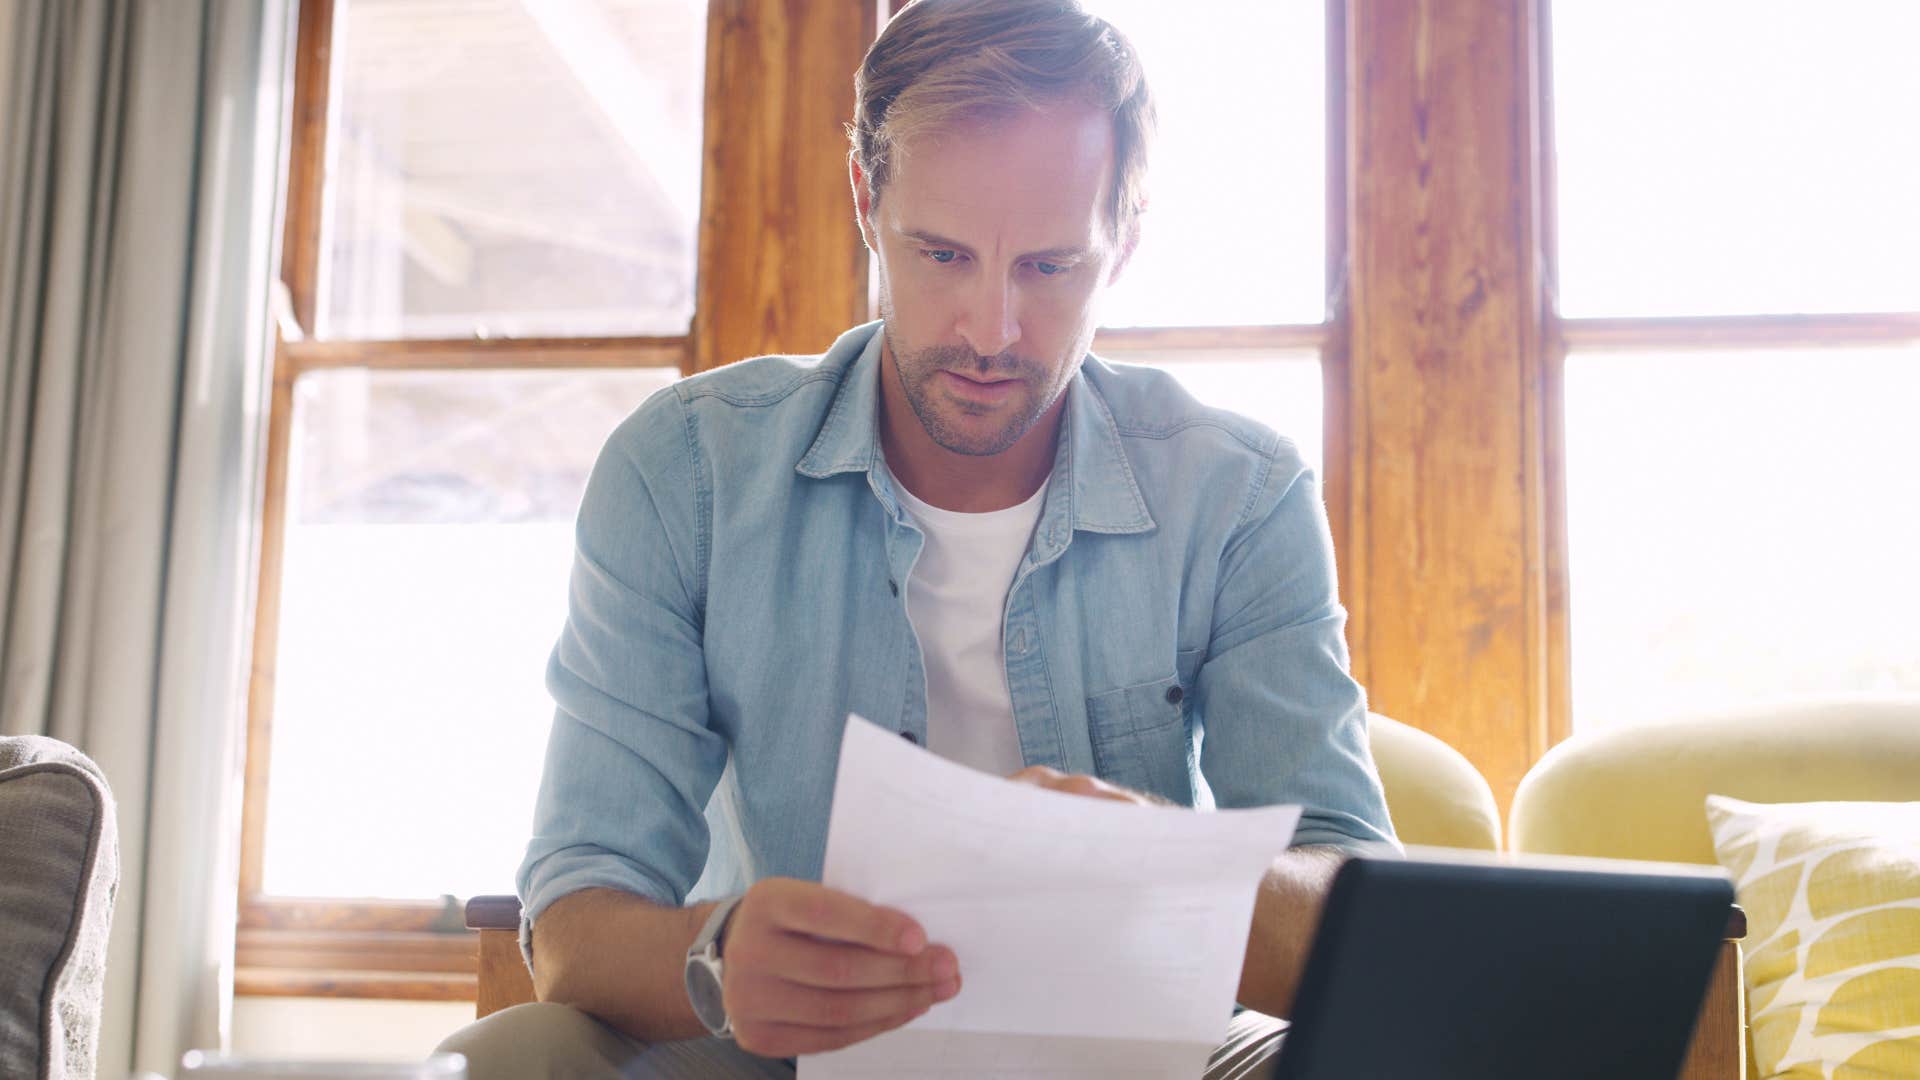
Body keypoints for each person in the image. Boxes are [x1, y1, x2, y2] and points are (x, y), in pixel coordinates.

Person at [438, 0, 1395, 1075]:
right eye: (941, 254)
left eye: (1049, 267)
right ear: (866, 199)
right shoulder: (686, 474)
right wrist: (715, 959)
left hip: (1139, 1058)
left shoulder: (1241, 495)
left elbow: (1353, 904)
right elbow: (574, 924)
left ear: (1121, 244)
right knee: (515, 1054)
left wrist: (1151, 868)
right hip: (776, 1058)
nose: (990, 331)